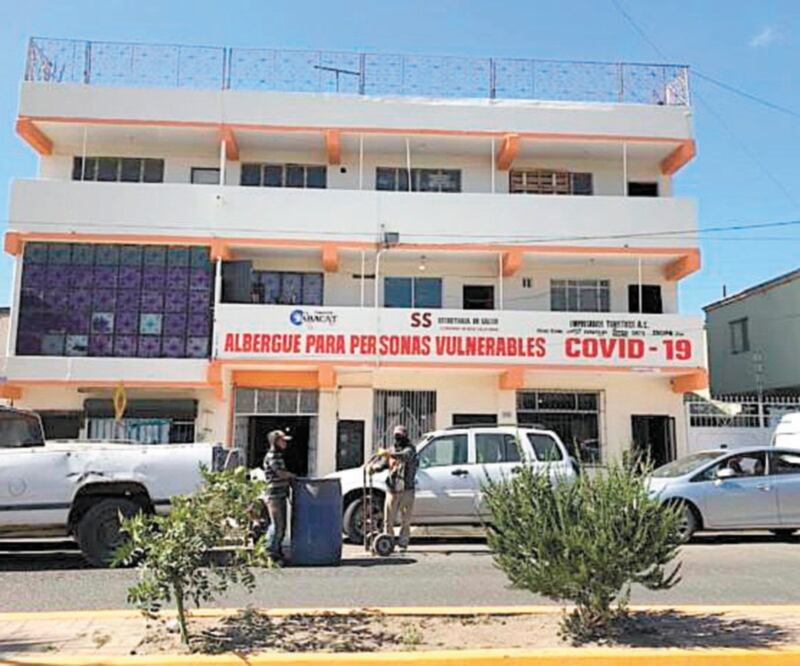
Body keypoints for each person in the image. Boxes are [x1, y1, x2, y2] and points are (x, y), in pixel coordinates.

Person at [374, 424, 418, 552]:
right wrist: (374, 468)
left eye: (400, 435)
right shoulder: (392, 450)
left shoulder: (410, 449)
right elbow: (383, 464)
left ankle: (403, 543)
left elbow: (403, 456)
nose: (398, 438)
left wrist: (388, 453)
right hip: (392, 489)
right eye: (396, 435)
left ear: (405, 436)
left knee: (406, 519)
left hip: (407, 489)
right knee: (388, 519)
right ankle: (389, 542)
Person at [262, 430, 296, 564]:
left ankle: (277, 551)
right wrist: (293, 476)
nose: (285, 443)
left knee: (281, 527)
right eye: (282, 440)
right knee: (277, 525)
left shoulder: (278, 455)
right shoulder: (272, 456)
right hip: (274, 495)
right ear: (275, 441)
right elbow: (280, 473)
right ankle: (270, 553)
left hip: (280, 493)